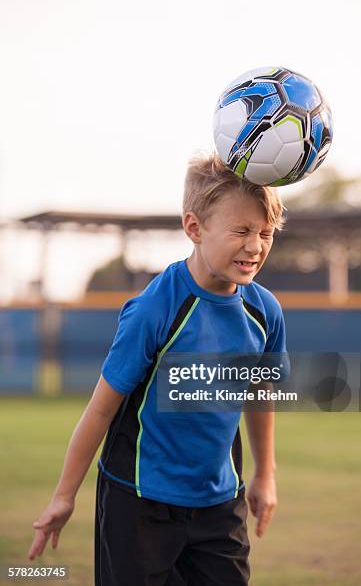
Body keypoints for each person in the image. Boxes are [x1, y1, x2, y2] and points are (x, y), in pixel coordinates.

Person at [28, 153, 287, 585]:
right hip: (139, 505)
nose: (255, 245)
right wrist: (64, 496)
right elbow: (100, 410)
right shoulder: (154, 310)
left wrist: (265, 474)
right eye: (241, 231)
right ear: (194, 227)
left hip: (219, 506)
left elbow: (260, 394)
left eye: (265, 232)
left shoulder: (265, 312)